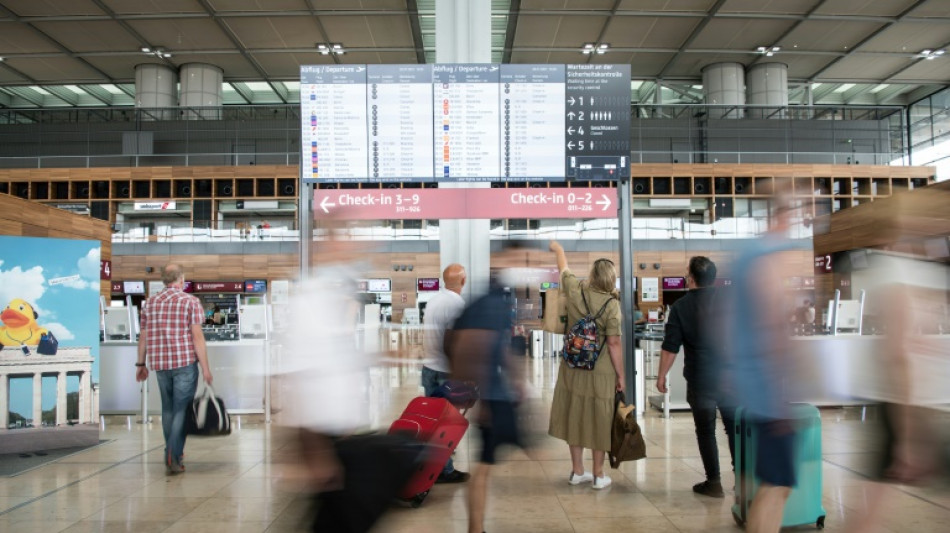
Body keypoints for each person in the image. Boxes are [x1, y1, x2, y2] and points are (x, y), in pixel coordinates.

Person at [722, 185, 800, 532]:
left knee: (768, 482)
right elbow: (772, 326)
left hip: (748, 384)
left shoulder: (745, 256)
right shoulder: (764, 260)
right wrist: (779, 394)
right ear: (782, 216)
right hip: (765, 390)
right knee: (777, 484)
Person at [447, 242, 528, 533]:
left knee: (489, 463)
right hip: (492, 396)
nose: (522, 266)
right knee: (484, 466)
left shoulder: (501, 297)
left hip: (498, 393)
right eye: (518, 259)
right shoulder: (492, 299)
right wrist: (480, 400)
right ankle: (475, 528)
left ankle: (476, 528)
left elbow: (499, 346)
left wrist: (518, 379)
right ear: (503, 260)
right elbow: (472, 346)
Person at [547, 240, 624, 490]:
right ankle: (598, 474)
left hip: (573, 365)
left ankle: (577, 471)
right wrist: (621, 376)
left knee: (574, 413)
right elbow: (613, 344)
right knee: (599, 418)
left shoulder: (576, 290)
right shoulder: (612, 306)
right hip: (600, 371)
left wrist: (558, 249)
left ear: (592, 276)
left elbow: (564, 269)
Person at [657, 256, 735, 498]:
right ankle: (743, 481)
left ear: (690, 278)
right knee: (734, 428)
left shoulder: (681, 307)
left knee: (705, 430)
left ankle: (714, 482)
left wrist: (661, 377)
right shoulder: (730, 301)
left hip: (701, 378)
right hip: (731, 377)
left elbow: (671, 347)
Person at [136, 263, 213, 475]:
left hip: (160, 364)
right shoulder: (190, 302)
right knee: (182, 410)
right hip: (185, 363)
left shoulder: (149, 304)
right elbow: (197, 337)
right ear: (182, 280)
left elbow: (143, 336)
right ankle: (173, 452)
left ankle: (172, 452)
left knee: (168, 409)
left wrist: (141, 364)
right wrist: (206, 368)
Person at [420, 262, 470, 483]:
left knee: (433, 420)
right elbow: (451, 342)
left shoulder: (434, 300)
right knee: (446, 424)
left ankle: (437, 458)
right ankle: (445, 471)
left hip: (428, 367)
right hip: (444, 371)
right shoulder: (457, 304)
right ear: (463, 281)